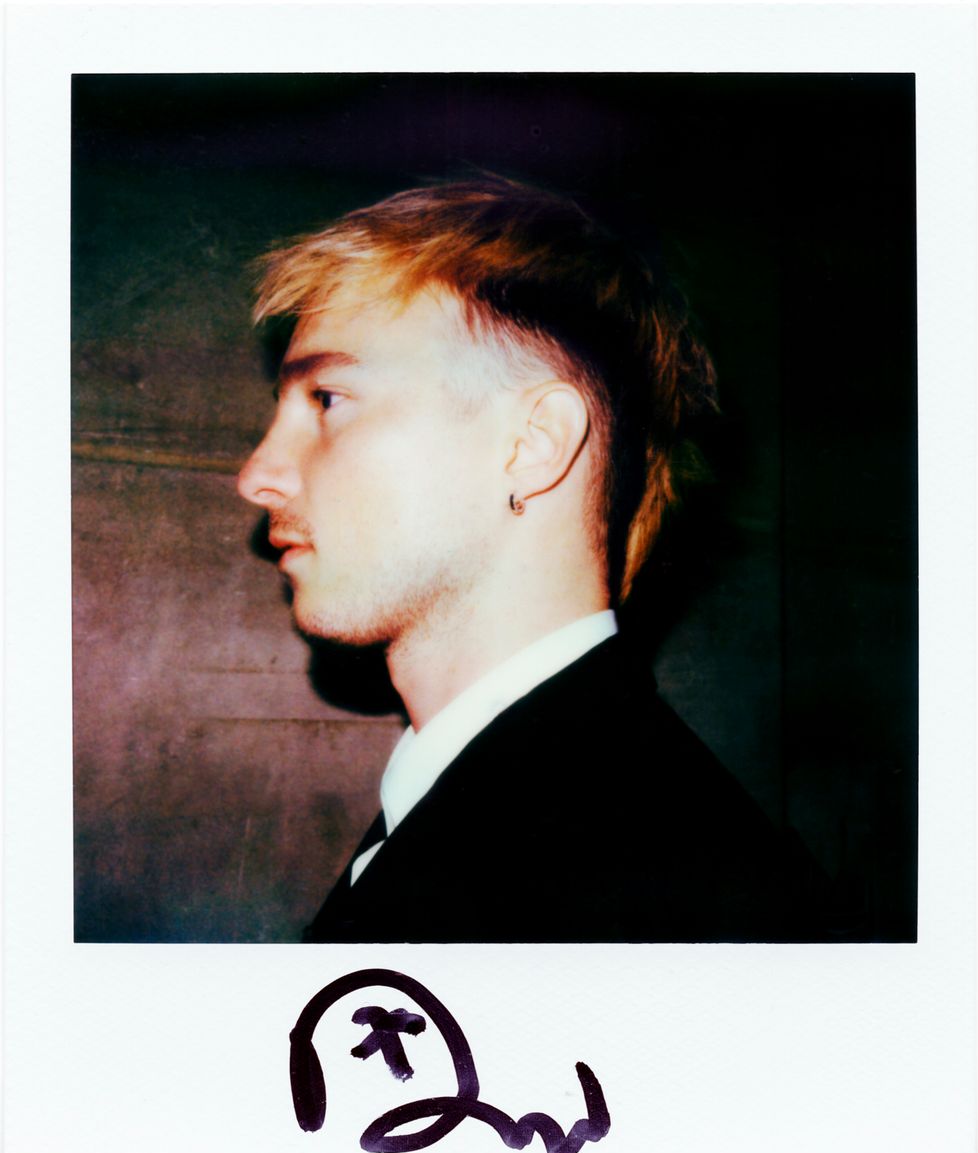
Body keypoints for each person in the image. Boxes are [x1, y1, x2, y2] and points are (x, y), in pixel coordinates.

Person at [237, 175, 828, 943]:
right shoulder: (526, 814)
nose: (257, 475)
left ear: (532, 444)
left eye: (327, 398)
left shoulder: (660, 893)